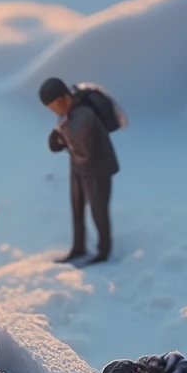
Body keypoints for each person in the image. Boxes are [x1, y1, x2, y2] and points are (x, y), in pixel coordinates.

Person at [38, 74, 119, 265]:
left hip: (97, 168)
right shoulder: (68, 114)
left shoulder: (84, 116)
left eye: (54, 106)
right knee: (77, 207)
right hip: (78, 165)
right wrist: (60, 136)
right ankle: (78, 246)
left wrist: (61, 136)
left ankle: (103, 251)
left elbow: (74, 142)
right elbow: (57, 142)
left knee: (98, 211)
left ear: (64, 98)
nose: (53, 111)